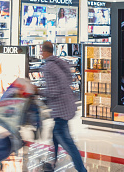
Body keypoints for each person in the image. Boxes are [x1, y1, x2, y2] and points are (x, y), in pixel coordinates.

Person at [39, 41, 86, 172]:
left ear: (44, 51)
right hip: (67, 105)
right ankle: (52, 164)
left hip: (60, 110)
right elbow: (69, 79)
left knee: (68, 143)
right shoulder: (60, 62)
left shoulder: (48, 67)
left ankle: (82, 169)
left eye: (41, 51)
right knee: (54, 135)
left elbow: (52, 92)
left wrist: (38, 91)